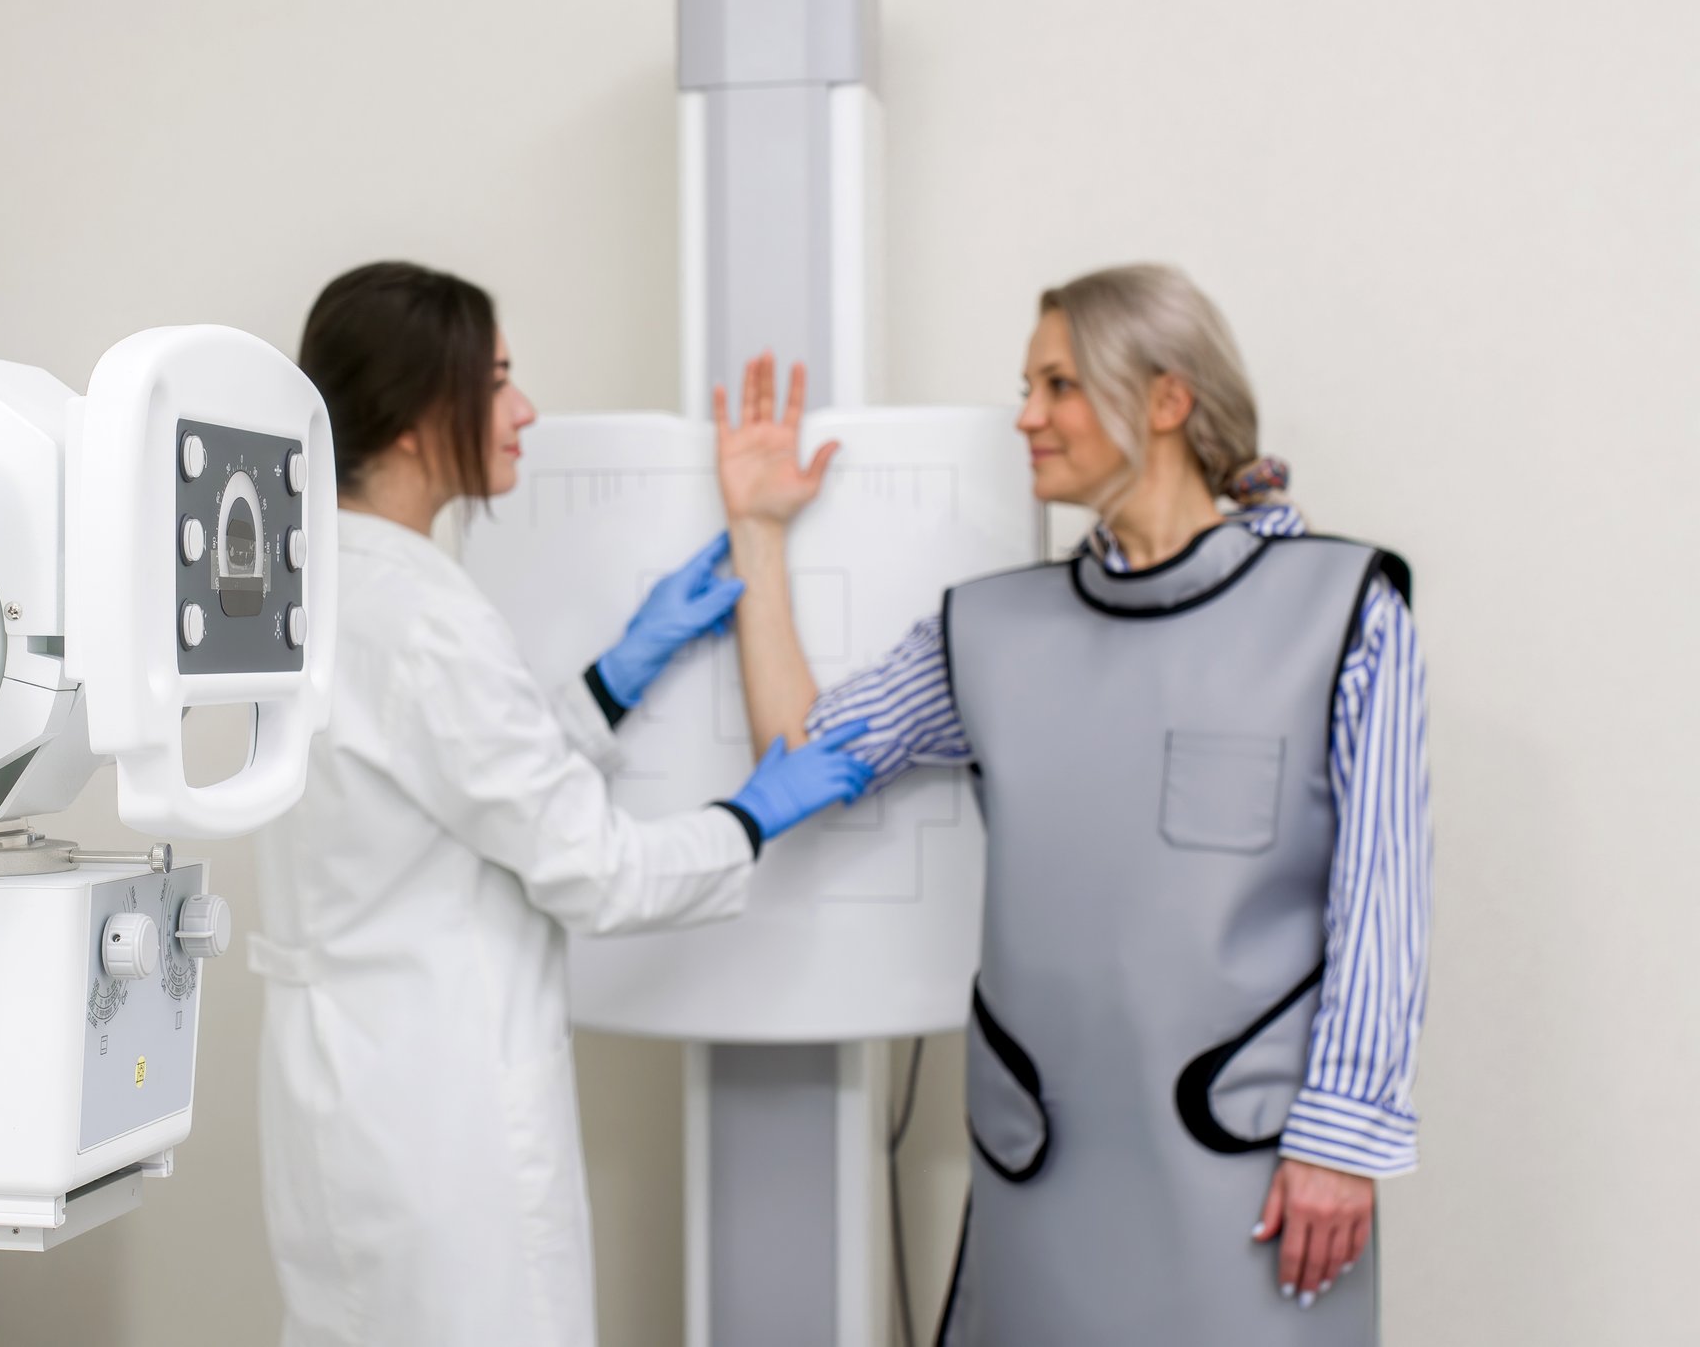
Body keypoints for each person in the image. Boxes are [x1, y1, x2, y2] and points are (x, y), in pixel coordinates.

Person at [714, 264, 1430, 1345]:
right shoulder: (991, 632)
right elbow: (798, 759)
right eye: (1027, 387)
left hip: (1249, 1176)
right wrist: (755, 534)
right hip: (1043, 1172)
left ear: (1165, 399)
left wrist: (1344, 1138)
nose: (1026, 417)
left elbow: (1384, 894)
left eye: (1057, 385)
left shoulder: (1340, 611)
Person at [250, 261, 875, 1347]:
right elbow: (594, 871)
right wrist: (754, 814)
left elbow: (445, 790)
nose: (524, 408)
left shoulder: (320, 585)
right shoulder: (426, 618)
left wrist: (612, 681)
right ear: (412, 418)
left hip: (341, 1089)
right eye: (495, 380)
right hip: (446, 1108)